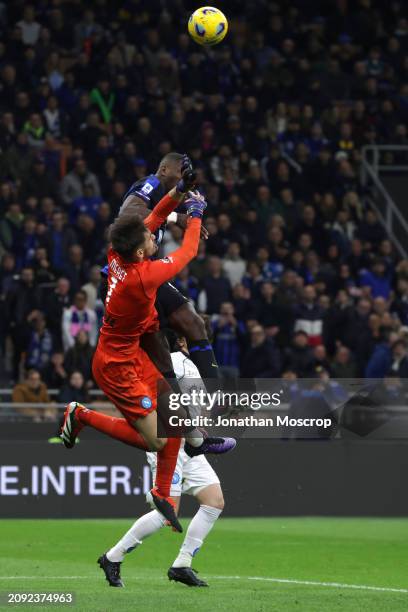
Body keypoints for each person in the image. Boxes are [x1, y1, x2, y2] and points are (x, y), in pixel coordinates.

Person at [60, 174, 235, 533]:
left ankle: (166, 490)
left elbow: (153, 219)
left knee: (174, 416)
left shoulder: (119, 254)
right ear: (141, 252)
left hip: (129, 351)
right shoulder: (143, 277)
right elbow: (187, 252)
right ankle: (81, 415)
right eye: (149, 241)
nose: (154, 238)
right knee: (155, 438)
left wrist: (178, 193)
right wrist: (197, 212)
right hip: (115, 365)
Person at [99, 333, 224, 588]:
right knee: (167, 512)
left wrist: (200, 427)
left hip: (189, 446)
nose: (204, 348)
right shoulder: (174, 362)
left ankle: (182, 564)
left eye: (206, 343)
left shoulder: (196, 369)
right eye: (199, 342)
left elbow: (195, 406)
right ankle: (113, 557)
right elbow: (157, 395)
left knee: (214, 501)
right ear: (181, 341)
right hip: (168, 443)